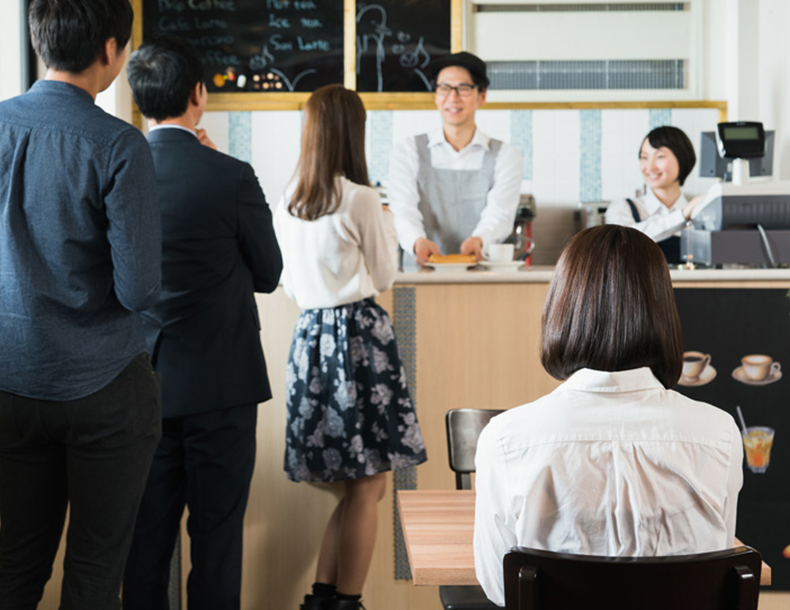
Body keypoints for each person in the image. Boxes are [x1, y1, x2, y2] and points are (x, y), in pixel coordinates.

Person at [0, 0, 163, 609]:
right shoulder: (119, 144)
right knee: (94, 574)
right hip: (105, 386)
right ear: (109, 50)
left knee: (17, 564)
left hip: (17, 383)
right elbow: (138, 288)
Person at [472, 225, 743, 607]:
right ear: (662, 312)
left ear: (561, 309)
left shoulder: (505, 438)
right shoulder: (720, 434)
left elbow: (500, 588)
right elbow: (714, 559)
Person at [121, 34, 283, 610]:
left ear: (140, 99)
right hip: (223, 386)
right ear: (199, 95)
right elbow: (268, 273)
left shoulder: (116, 171)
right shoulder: (230, 175)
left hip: (140, 384)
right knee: (217, 538)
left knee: (145, 541)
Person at [275, 85, 428, 610]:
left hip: (310, 340)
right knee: (367, 486)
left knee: (359, 485)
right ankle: (347, 603)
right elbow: (385, 274)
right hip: (358, 339)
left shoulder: (289, 198)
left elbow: (289, 285)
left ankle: (323, 599)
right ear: (353, 132)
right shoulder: (360, 198)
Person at [388, 51, 523, 266]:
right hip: (421, 272)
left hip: (481, 271)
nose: (453, 97)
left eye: (463, 88)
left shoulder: (506, 156)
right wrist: (418, 241)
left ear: (482, 96)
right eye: (444, 88)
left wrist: (480, 240)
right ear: (435, 96)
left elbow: (500, 213)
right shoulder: (407, 150)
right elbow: (403, 209)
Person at [604, 126, 705, 265]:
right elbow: (626, 242)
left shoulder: (700, 213)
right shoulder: (622, 208)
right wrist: (682, 215)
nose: (650, 167)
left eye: (660, 156)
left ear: (682, 158)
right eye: (644, 157)